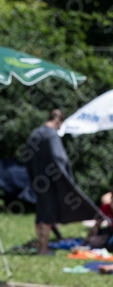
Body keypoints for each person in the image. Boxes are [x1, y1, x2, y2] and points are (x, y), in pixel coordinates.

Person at [25, 109, 101, 255]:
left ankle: (41, 246)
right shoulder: (52, 134)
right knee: (48, 215)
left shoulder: (35, 134)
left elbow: (27, 156)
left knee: (41, 214)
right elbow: (59, 157)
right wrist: (68, 178)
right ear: (58, 120)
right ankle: (43, 249)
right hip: (51, 182)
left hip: (37, 181)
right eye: (61, 125)